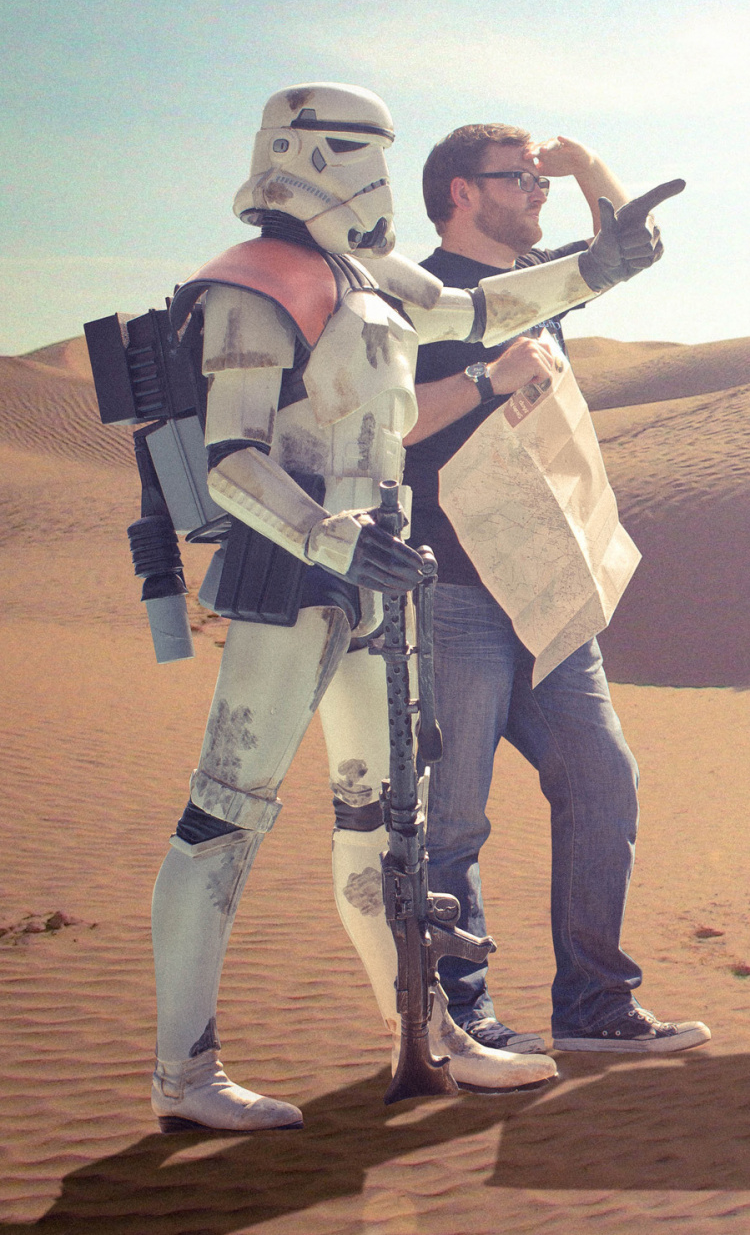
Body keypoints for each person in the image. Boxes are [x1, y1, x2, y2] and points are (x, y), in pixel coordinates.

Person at [148, 86, 684, 1134]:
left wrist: (599, 262)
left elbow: (488, 310)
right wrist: (332, 537)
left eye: (377, 151)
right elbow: (231, 462)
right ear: (294, 153)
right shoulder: (249, 288)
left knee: (384, 825)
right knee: (226, 816)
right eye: (349, 150)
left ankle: (436, 1027)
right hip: (292, 579)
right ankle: (185, 1067)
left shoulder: (377, 279)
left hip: (384, 582)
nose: (368, 172)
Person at [403, 124, 711, 1055]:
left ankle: (593, 1009)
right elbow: (385, 426)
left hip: (548, 590)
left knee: (603, 783)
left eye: (540, 180)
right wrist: (487, 377)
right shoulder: (411, 296)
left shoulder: (541, 288)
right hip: (451, 589)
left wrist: (587, 172)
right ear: (461, 192)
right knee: (452, 820)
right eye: (520, 180)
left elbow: (631, 248)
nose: (536, 193)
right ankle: (461, 1020)